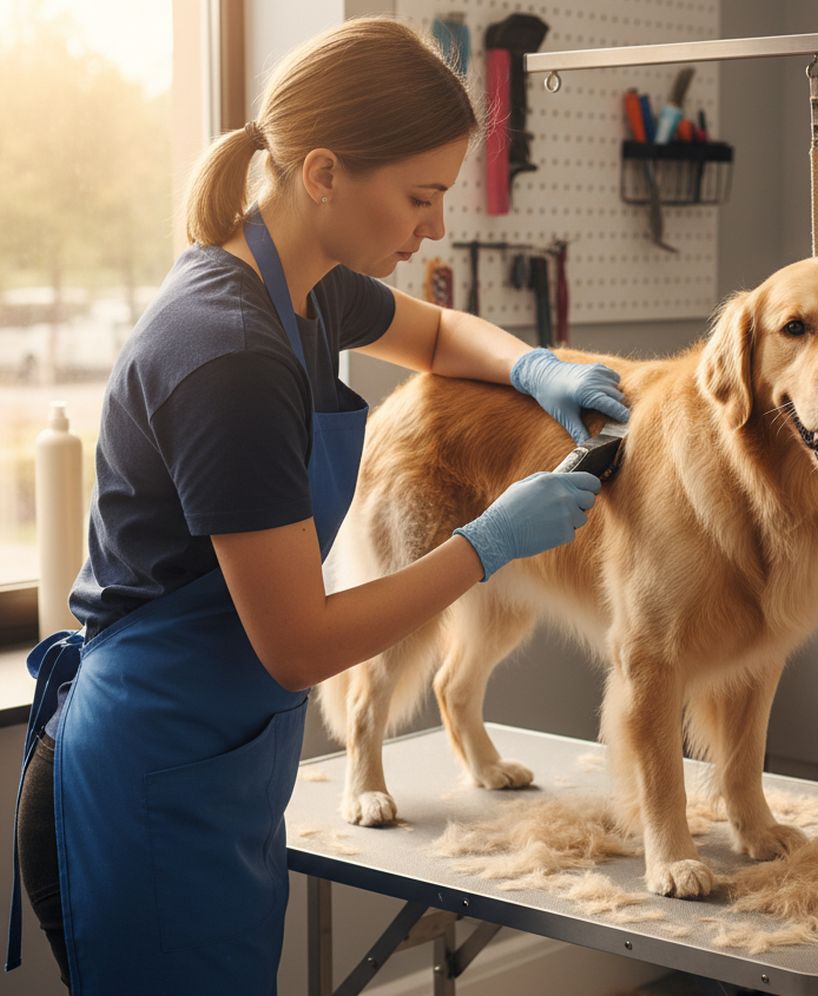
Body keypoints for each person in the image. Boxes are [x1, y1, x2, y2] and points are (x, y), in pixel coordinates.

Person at [7, 17, 627, 994]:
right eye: (420, 197)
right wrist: (489, 542)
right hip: (149, 775)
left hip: (221, 756)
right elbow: (298, 644)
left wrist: (535, 366)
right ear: (327, 174)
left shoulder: (302, 290)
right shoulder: (229, 355)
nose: (434, 228)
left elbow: (436, 336)